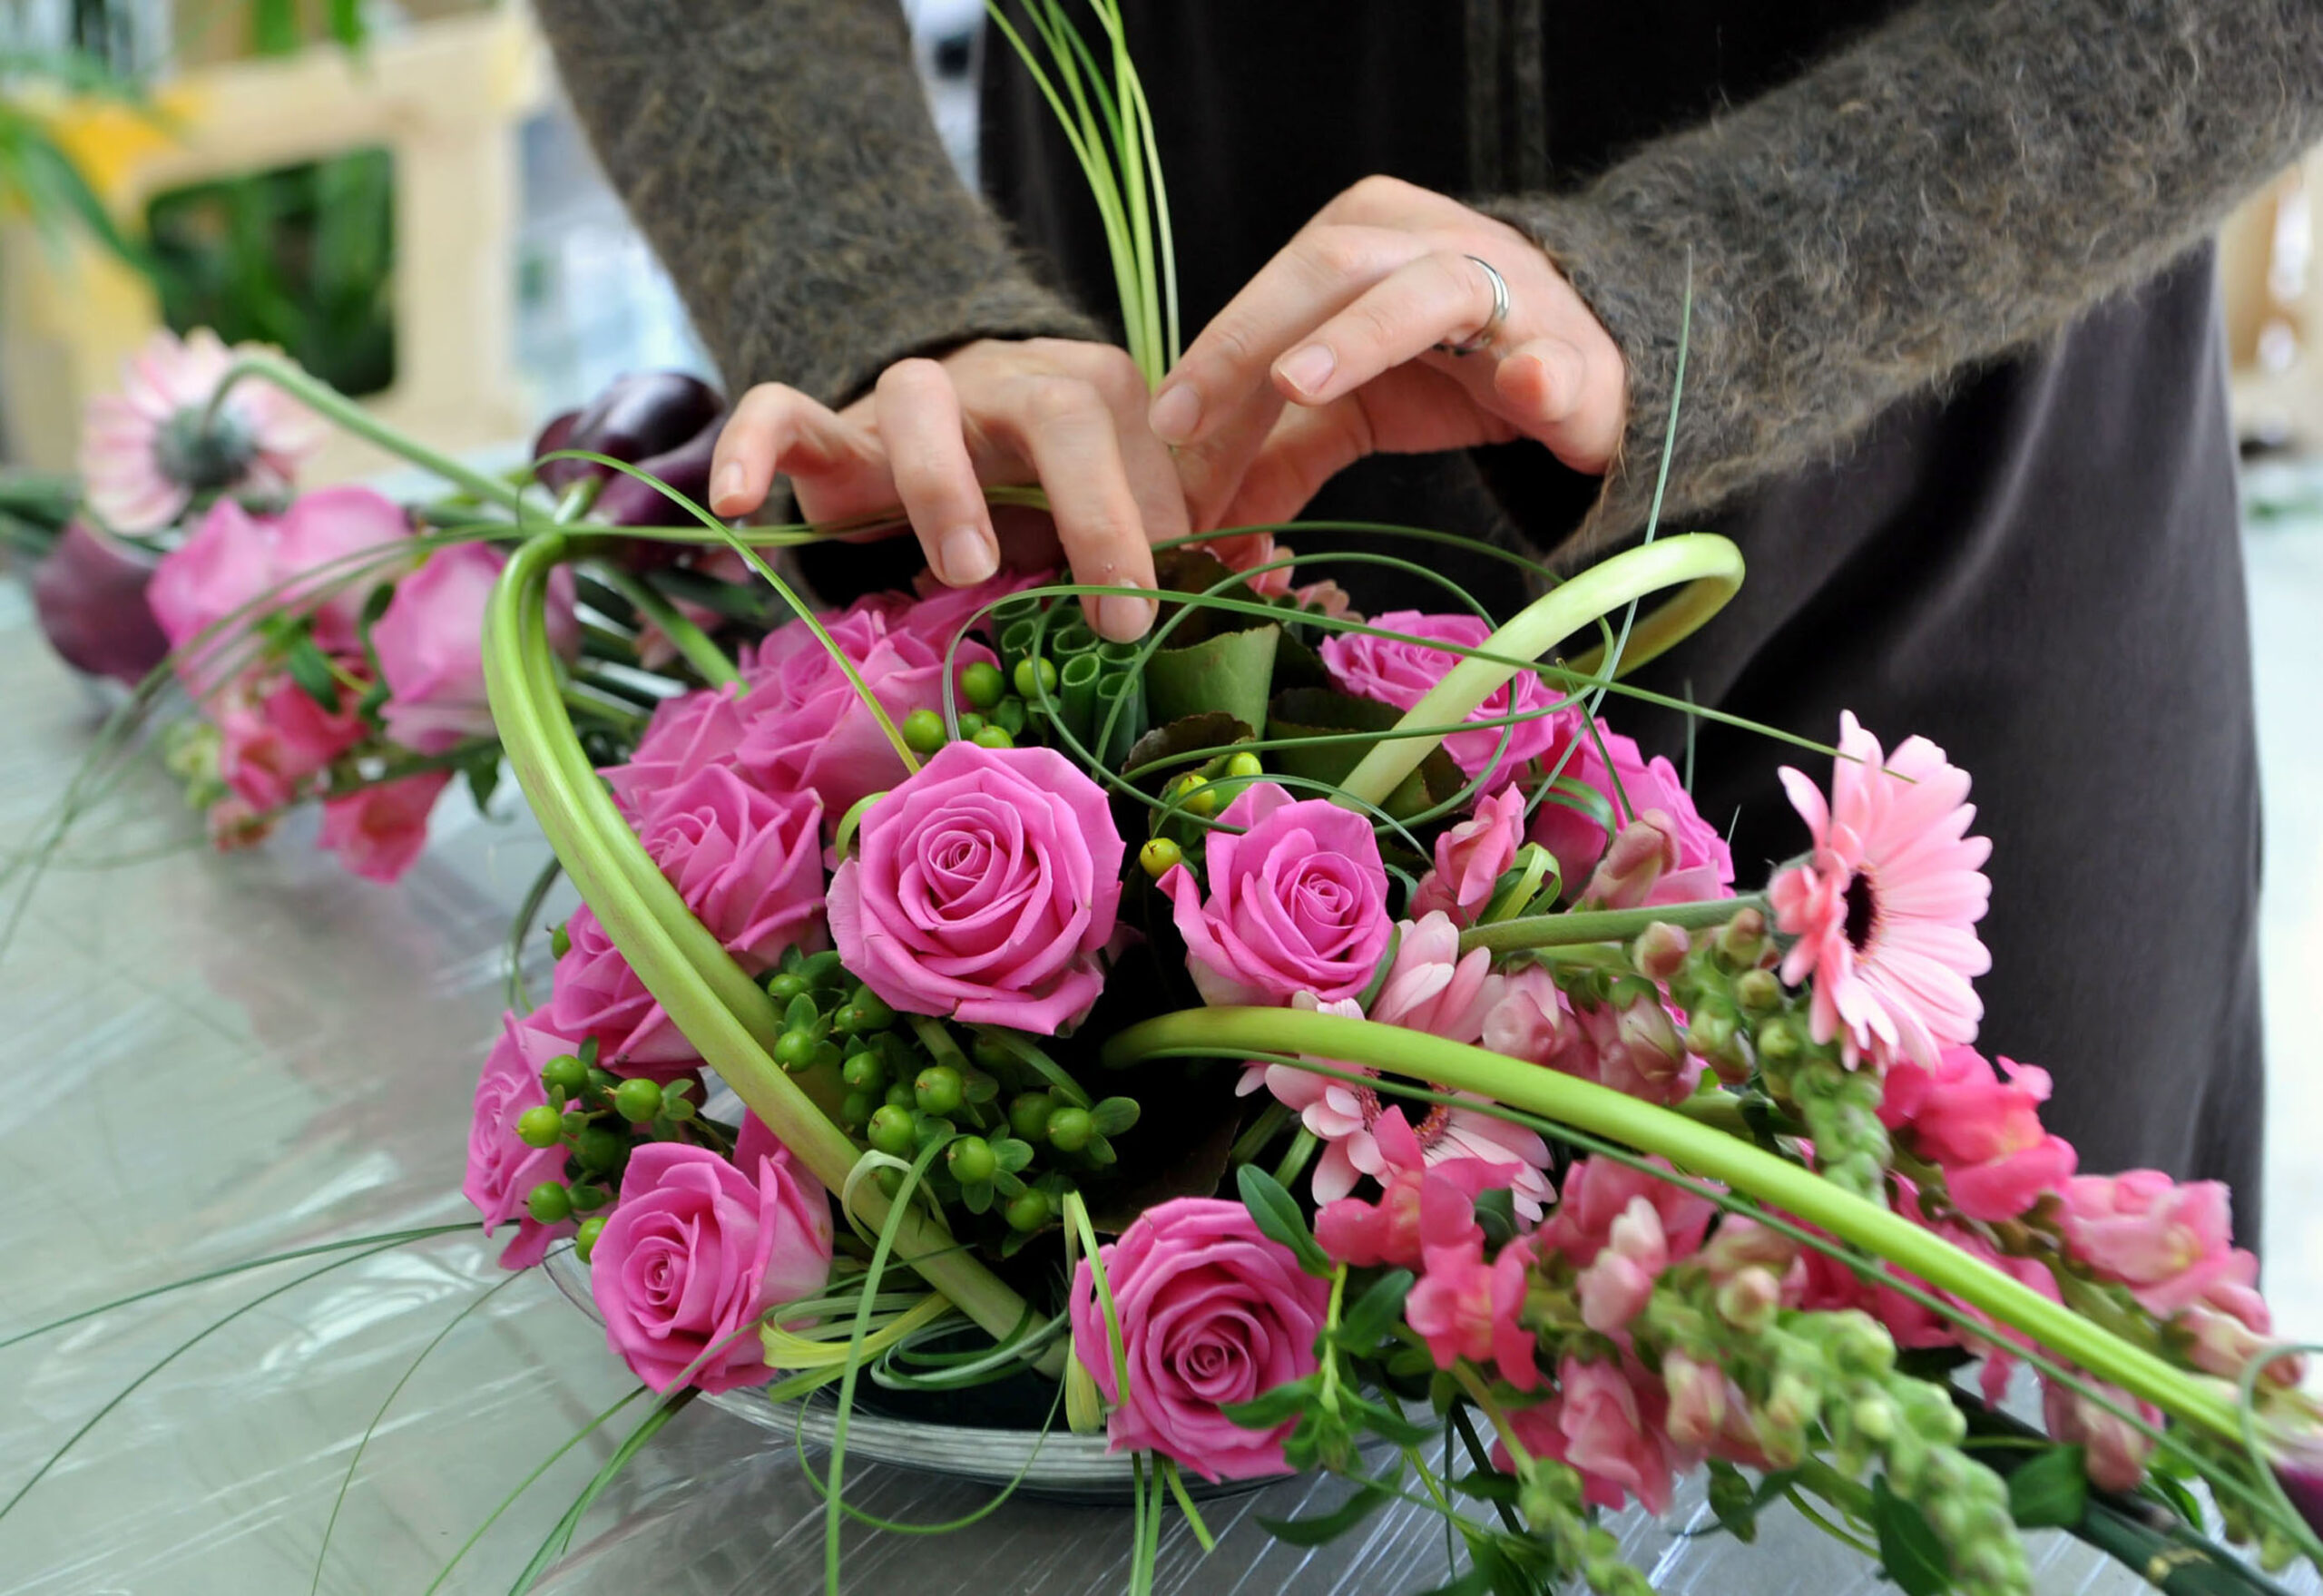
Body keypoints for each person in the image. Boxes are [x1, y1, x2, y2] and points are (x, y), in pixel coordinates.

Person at [534, 0, 2323, 1241]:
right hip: (1146, 459)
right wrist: (871, 297)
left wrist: (1729, 280)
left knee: (1970, 1434)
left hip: (1967, 455)